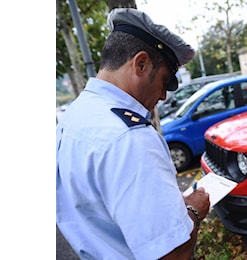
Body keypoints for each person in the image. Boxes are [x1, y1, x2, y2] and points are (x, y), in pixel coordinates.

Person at [56, 8, 210, 259]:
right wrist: (194, 210)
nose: (163, 96)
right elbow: (172, 254)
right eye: (165, 82)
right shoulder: (131, 140)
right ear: (141, 64)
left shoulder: (74, 117)